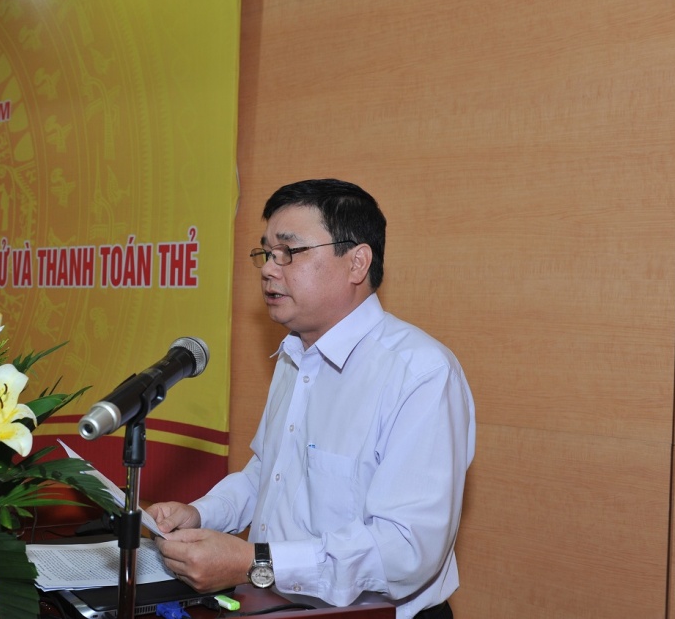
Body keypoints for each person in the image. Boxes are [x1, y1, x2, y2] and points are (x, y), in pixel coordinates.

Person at [147, 178, 476, 619]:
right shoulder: (295, 355)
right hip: (273, 606)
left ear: (357, 262)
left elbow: (405, 551)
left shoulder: (420, 373)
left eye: (289, 251)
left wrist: (256, 562)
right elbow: (268, 474)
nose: (269, 269)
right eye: (266, 252)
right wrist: (201, 514)